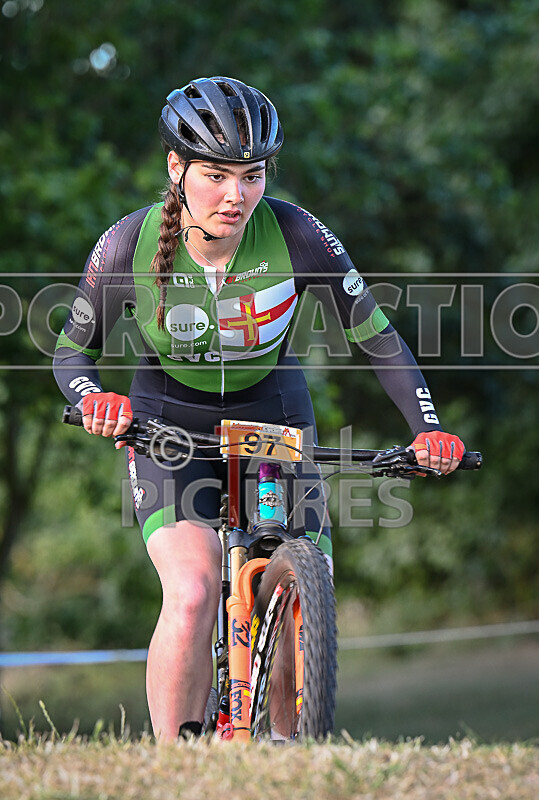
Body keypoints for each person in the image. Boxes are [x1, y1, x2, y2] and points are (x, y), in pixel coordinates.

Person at [53, 76, 465, 741]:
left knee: (293, 580)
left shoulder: (299, 234)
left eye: (251, 175)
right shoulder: (127, 244)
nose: (235, 195)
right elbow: (69, 355)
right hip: (167, 427)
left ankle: (286, 759)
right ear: (176, 168)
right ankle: (172, 767)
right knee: (191, 592)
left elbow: (377, 338)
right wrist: (93, 399)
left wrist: (427, 428)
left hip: (272, 420)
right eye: (216, 174)